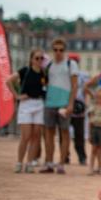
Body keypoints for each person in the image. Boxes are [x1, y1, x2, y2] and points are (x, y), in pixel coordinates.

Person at [40, 38, 78, 175]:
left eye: (61, 50)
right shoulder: (48, 65)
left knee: (64, 133)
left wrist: (70, 104)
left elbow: (74, 85)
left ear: (64, 50)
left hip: (64, 104)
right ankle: (49, 163)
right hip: (50, 102)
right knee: (48, 134)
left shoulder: (70, 64)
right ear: (52, 50)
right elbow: (45, 83)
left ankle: (61, 164)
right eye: (55, 49)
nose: (58, 52)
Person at [5, 48, 47, 173]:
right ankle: (19, 162)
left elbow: (45, 88)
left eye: (41, 58)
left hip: (39, 103)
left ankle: (29, 163)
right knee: (26, 136)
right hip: (26, 104)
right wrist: (17, 95)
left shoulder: (44, 74)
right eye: (37, 58)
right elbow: (8, 81)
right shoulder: (25, 71)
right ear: (31, 59)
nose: (39, 60)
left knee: (36, 137)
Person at [69, 53, 89, 166]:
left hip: (79, 105)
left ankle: (82, 157)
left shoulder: (83, 75)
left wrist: (85, 103)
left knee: (79, 134)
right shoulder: (65, 74)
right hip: (66, 104)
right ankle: (65, 156)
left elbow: (85, 90)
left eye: (75, 61)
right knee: (64, 133)